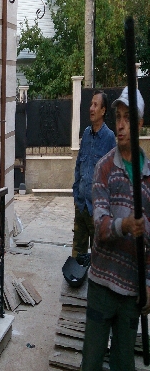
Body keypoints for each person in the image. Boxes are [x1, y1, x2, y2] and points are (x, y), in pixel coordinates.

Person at [77, 87, 150, 371]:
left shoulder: (149, 177)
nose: (120, 125)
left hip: (131, 292)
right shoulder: (105, 167)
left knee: (124, 369)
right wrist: (126, 226)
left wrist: (149, 282)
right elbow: (101, 224)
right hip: (102, 285)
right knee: (91, 363)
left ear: (140, 125)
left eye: (127, 119)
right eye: (117, 118)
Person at [72, 91, 116, 258]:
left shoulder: (109, 138)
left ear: (103, 110)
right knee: (77, 257)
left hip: (97, 211)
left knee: (99, 258)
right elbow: (79, 165)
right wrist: (76, 195)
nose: (91, 108)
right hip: (81, 206)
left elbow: (113, 174)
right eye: (91, 104)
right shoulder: (86, 135)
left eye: (95, 105)